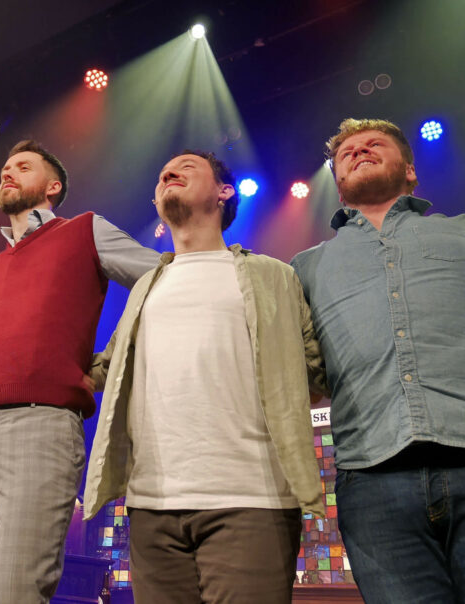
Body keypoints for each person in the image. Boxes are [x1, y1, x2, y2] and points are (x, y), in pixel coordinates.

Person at [290, 118, 465, 603]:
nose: (360, 151)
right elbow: (299, 376)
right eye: (347, 151)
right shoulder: (303, 268)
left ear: (410, 170)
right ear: (337, 180)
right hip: (371, 478)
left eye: (375, 144)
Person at [84, 150, 325, 603]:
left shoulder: (273, 275)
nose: (168, 173)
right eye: (163, 173)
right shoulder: (146, 286)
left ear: (224, 191)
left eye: (186, 167)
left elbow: (317, 370)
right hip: (151, 504)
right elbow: (102, 371)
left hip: (251, 499)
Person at [0, 140, 159, 603]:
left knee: (13, 591)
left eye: (23, 167)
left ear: (53, 186)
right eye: (4, 168)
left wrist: (107, 363)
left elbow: (163, 278)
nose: (7, 173)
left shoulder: (85, 230)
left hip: (42, 424)